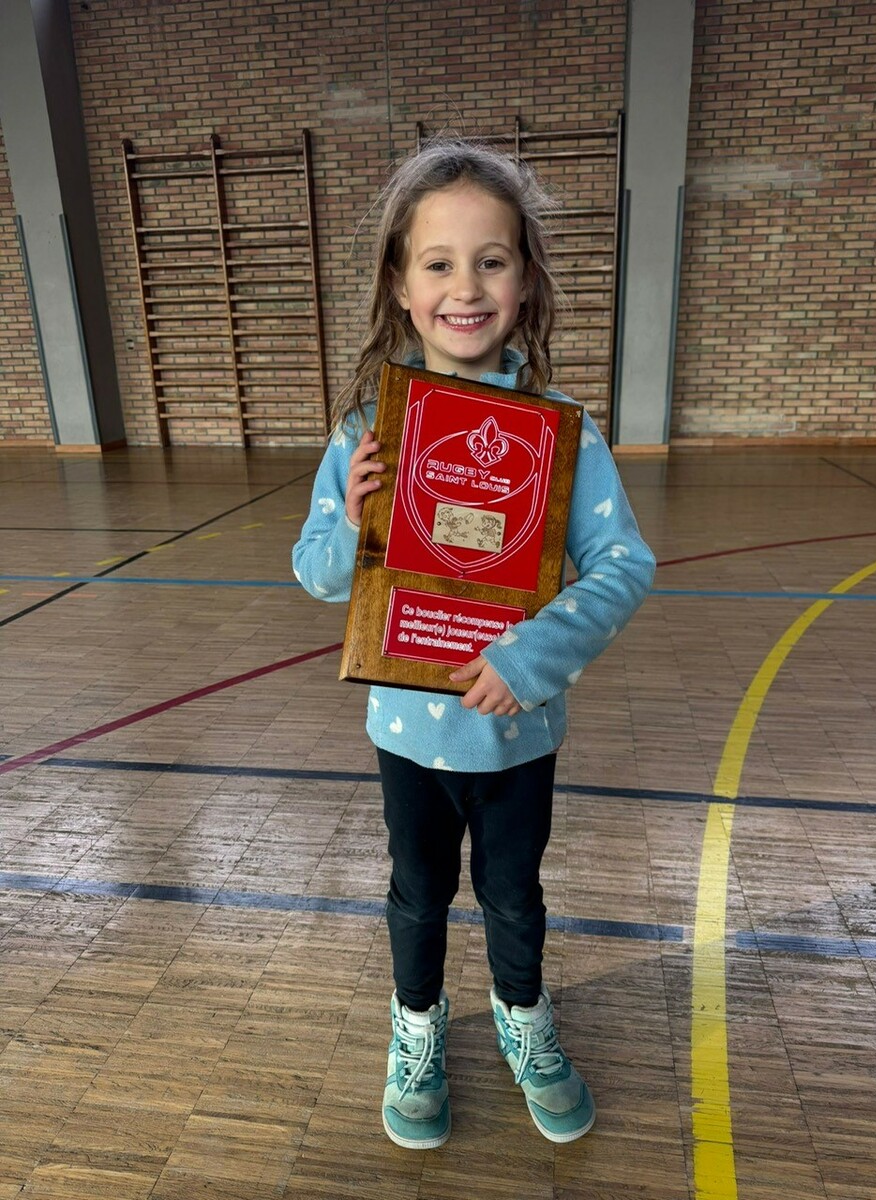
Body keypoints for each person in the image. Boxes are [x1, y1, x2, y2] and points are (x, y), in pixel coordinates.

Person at [293, 138, 655, 1151]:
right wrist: (348, 522)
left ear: (526, 277)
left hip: (516, 738)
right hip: (407, 733)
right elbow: (315, 574)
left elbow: (625, 566)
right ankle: (414, 1029)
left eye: (491, 259)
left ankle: (522, 1017)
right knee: (416, 893)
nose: (466, 284)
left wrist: (529, 660)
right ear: (403, 286)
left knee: (512, 895)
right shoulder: (366, 429)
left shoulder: (566, 433)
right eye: (439, 263)